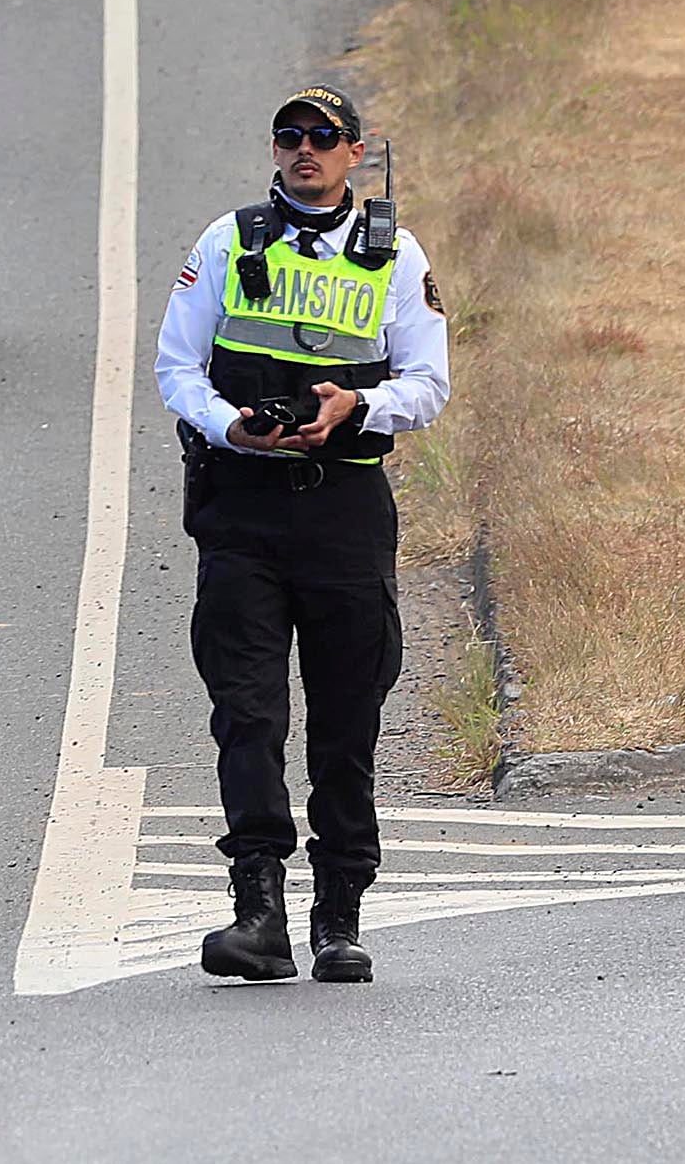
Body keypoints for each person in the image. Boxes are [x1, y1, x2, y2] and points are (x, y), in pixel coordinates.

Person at [155, 83, 451, 986]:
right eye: (290, 135)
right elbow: (177, 367)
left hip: (343, 513)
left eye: (324, 135)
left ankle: (339, 917)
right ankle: (258, 913)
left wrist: (356, 405)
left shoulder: (395, 255)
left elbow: (428, 385)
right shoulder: (227, 241)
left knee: (347, 718)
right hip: (242, 509)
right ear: (275, 149)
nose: (304, 149)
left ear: (356, 151)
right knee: (248, 714)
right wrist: (228, 425)